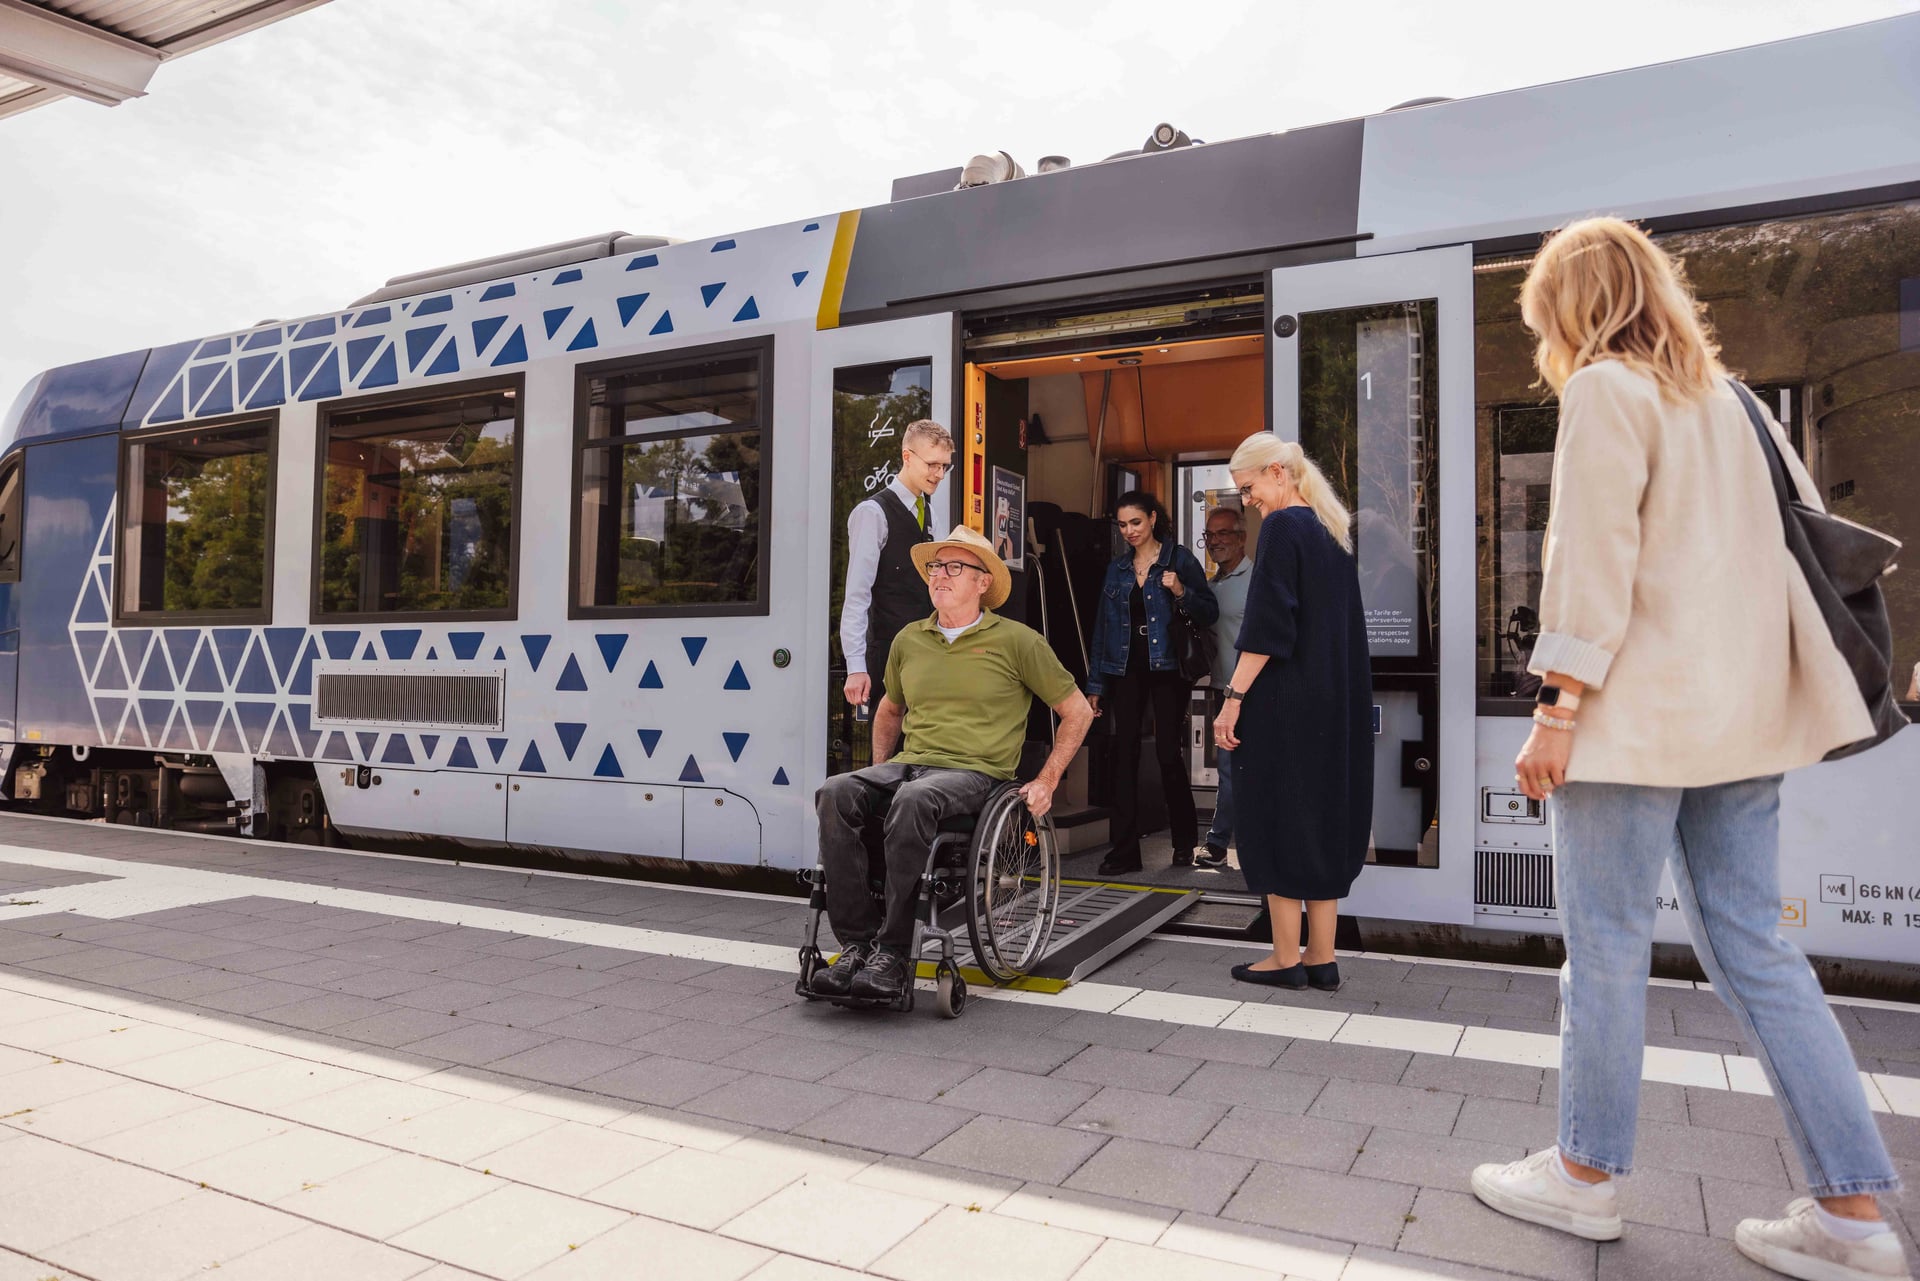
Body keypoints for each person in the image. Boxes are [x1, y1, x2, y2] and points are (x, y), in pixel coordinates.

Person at [1467, 217, 1905, 1281]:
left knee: (1608, 948)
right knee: (1756, 950)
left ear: (1572, 307)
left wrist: (1557, 710)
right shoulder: (1739, 404)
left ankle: (1584, 1179)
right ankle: (1854, 1217)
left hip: (1630, 725)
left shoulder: (1606, 394)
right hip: (1742, 722)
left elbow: (1590, 560)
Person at [812, 525, 1094, 1003]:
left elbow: (1077, 711)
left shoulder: (1017, 642)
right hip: (910, 764)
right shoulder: (909, 639)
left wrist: (1047, 780)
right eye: (935, 566)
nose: (939, 575)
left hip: (975, 772)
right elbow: (889, 710)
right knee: (837, 792)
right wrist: (878, 775)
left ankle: (894, 954)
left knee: (915, 798)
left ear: (983, 583)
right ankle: (858, 946)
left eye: (954, 567)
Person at [1212, 435, 1372, 991]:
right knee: (1320, 819)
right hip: (1333, 701)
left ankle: (1284, 957)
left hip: (1284, 703)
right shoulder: (1333, 530)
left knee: (1275, 817)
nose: (1248, 500)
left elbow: (1267, 628)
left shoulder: (1282, 528)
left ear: (1277, 473)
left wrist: (1232, 700)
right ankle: (1321, 958)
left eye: (1249, 487)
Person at [1085, 491, 1216, 876]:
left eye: (1136, 522)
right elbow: (1102, 629)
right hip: (1125, 668)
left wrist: (1180, 591)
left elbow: (1210, 610)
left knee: (1166, 753)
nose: (1129, 531)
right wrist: (1096, 686)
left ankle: (1183, 840)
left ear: (1153, 519)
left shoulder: (1179, 560)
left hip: (1167, 668)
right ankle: (1124, 851)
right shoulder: (1118, 569)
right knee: (1124, 753)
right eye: (1123, 525)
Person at [841, 420, 953, 713]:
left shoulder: (930, 514)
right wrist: (856, 666)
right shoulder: (872, 513)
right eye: (932, 464)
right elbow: (857, 595)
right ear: (907, 457)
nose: (939, 474)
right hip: (887, 654)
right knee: (887, 752)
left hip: (926, 653)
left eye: (945, 466)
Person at [1197, 504, 1253, 871]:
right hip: (1221, 689)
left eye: (1223, 534)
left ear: (1241, 538)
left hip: (1249, 692)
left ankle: (1221, 843)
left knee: (1237, 770)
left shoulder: (1257, 580)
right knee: (1230, 770)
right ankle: (1223, 842)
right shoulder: (1211, 584)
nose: (1215, 541)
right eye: (1210, 535)